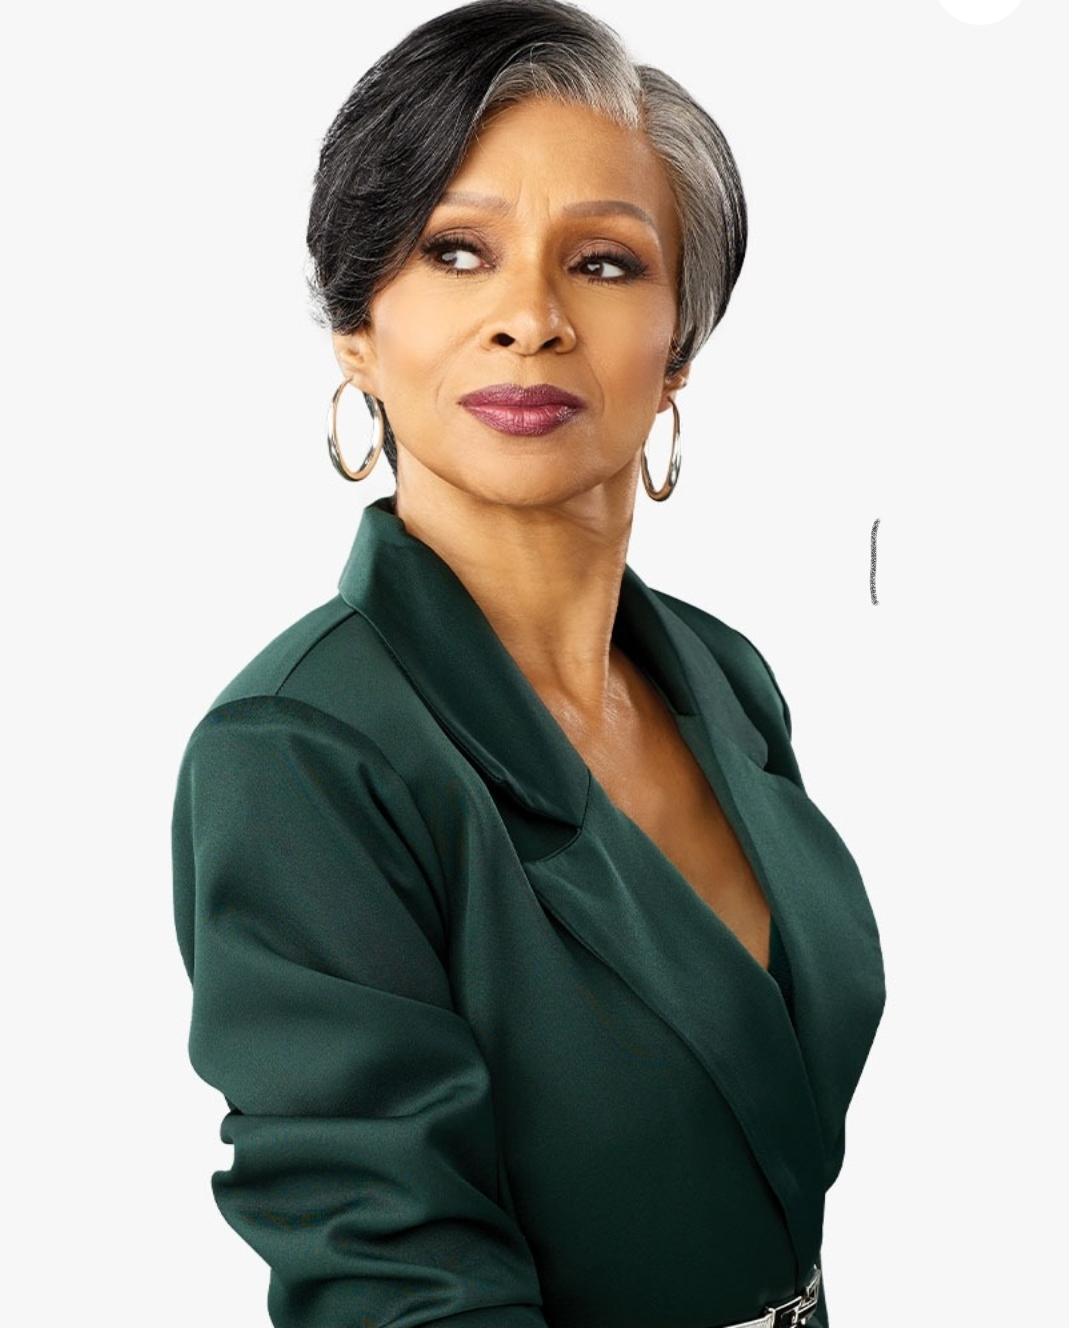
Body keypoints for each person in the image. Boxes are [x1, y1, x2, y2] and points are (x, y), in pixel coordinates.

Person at [170, 3, 886, 1325]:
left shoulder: (723, 681)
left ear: (678, 349)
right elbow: (392, 1277)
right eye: (457, 252)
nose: (531, 319)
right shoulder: (301, 751)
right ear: (358, 330)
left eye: (604, 263)